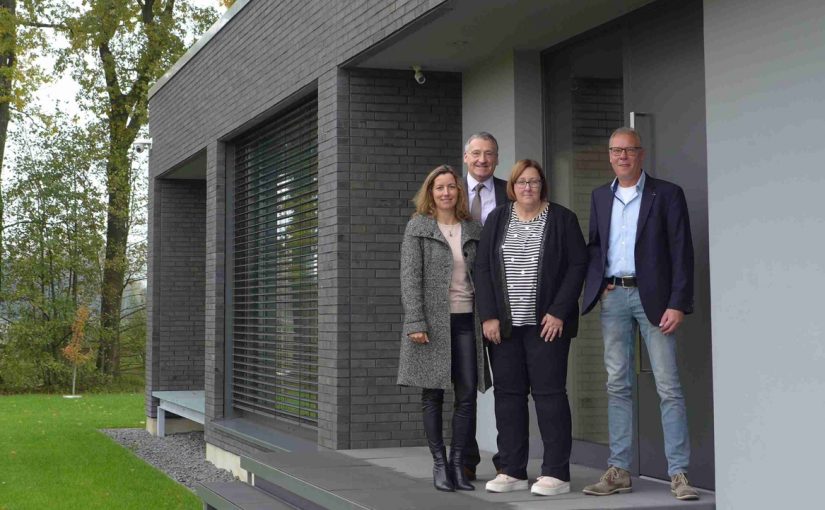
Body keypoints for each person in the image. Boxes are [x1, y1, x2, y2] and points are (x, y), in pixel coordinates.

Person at [580, 127, 699, 501]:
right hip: (614, 299)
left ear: (641, 154)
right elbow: (595, 246)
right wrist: (598, 283)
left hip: (657, 301)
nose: (622, 156)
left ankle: (678, 474)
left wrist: (678, 302)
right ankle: (619, 470)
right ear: (609, 155)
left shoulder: (667, 194)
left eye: (629, 150)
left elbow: (682, 251)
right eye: (616, 151)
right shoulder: (600, 196)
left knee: (668, 387)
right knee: (617, 385)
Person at [475, 159, 587, 496]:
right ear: (512, 186)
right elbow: (482, 269)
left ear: (543, 186)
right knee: (508, 397)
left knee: (549, 395)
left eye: (534, 182)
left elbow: (578, 266)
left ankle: (556, 473)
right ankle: (512, 469)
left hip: (546, 327)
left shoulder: (562, 219)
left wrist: (558, 312)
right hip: (506, 328)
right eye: (522, 182)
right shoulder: (498, 219)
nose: (528, 188)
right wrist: (489, 315)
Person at [398, 165, 491, 492]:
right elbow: (410, 279)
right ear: (431, 192)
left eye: (452, 186)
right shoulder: (418, 228)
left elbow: (484, 276)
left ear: (459, 192)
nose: (447, 192)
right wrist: (415, 321)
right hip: (432, 324)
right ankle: (439, 464)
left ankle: (457, 465)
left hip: (467, 320)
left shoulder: (473, 228)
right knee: (433, 393)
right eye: (440, 187)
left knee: (467, 395)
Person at [461, 131, 508, 480]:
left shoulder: (511, 192)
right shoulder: (448, 191)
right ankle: (465, 459)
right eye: (476, 153)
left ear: (496, 158)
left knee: (507, 382)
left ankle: (508, 460)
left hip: (503, 302)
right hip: (459, 301)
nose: (482, 160)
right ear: (466, 157)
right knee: (464, 386)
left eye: (488, 154)